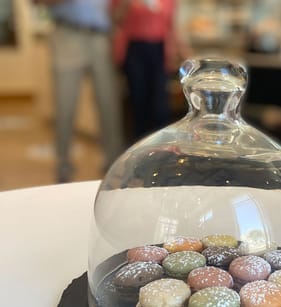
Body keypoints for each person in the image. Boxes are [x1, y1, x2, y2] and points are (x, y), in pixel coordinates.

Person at [34, 0, 124, 182]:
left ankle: (113, 163)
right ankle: (63, 165)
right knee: (65, 105)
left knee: (109, 104)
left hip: (101, 37)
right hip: (67, 34)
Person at [110, 0, 185, 141]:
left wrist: (184, 52)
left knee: (160, 104)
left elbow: (172, 25)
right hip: (135, 49)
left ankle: (161, 146)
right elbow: (115, 19)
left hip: (159, 50)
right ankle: (140, 148)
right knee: (138, 100)